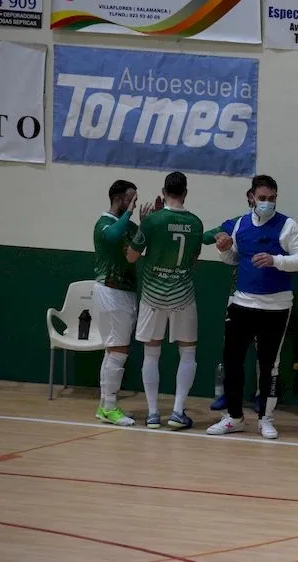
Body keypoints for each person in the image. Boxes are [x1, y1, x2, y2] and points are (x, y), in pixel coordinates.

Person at [207, 175, 298, 439]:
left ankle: (266, 418)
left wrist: (276, 260)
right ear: (251, 197)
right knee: (232, 361)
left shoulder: (287, 226)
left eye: (272, 198)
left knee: (269, 364)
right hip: (242, 303)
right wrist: (223, 249)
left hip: (276, 306)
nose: (267, 203)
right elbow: (232, 259)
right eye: (263, 198)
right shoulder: (240, 224)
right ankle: (233, 417)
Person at [126, 172, 204, 430]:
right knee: (188, 351)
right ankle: (178, 411)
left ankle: (151, 414)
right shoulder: (196, 223)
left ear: (163, 191)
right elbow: (193, 261)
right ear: (186, 192)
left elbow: (131, 257)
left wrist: (143, 225)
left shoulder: (152, 221)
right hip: (183, 294)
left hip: (153, 296)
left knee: (151, 352)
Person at [93, 180, 149, 426]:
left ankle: (105, 406)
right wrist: (128, 213)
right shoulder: (104, 224)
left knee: (114, 349)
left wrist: (147, 222)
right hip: (110, 290)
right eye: (130, 199)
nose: (134, 203)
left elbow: (139, 244)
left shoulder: (128, 225)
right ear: (118, 199)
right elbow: (114, 235)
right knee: (118, 350)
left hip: (126, 291)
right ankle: (110, 407)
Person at [205, 187, 258, 413]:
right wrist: (219, 236)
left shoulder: (278, 225)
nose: (262, 202)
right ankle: (228, 394)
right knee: (232, 349)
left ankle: (261, 395)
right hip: (238, 295)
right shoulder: (237, 223)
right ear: (250, 198)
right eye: (258, 198)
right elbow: (206, 236)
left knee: (264, 351)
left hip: (266, 296)